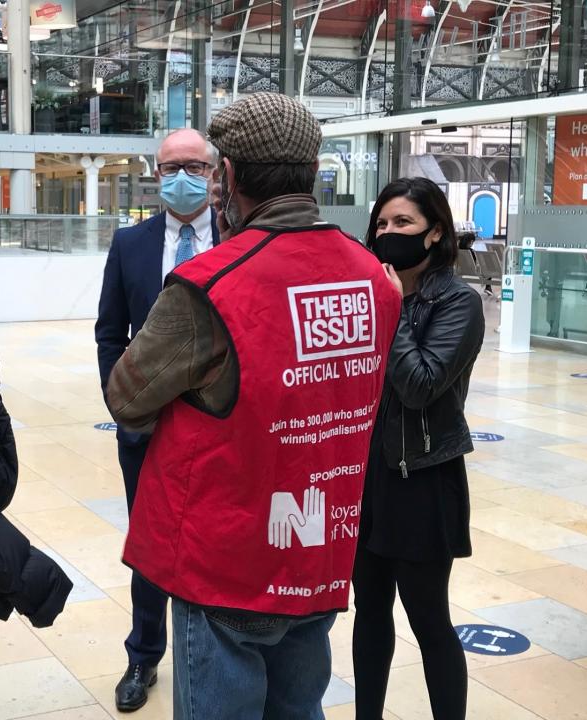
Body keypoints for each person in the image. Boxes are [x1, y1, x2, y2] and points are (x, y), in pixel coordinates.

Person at [106, 93, 401, 720]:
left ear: (229, 176)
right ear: (313, 171)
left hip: (229, 557)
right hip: (318, 543)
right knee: (300, 706)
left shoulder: (212, 283)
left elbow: (127, 398)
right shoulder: (371, 277)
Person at [94, 127, 219, 712]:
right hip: (146, 427)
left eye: (192, 166)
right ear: (155, 173)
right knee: (150, 546)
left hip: (221, 426)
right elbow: (108, 333)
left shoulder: (239, 239)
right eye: (170, 167)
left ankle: (216, 648)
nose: (181, 178)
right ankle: (143, 655)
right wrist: (122, 407)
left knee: (215, 538)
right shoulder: (131, 243)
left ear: (215, 174)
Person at [353, 177, 485, 720]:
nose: (389, 233)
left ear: (435, 233)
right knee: (369, 612)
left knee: (429, 618)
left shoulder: (458, 302)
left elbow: (420, 384)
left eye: (403, 223)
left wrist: (393, 306)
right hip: (368, 476)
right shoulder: (366, 293)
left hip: (425, 476)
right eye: (382, 223)